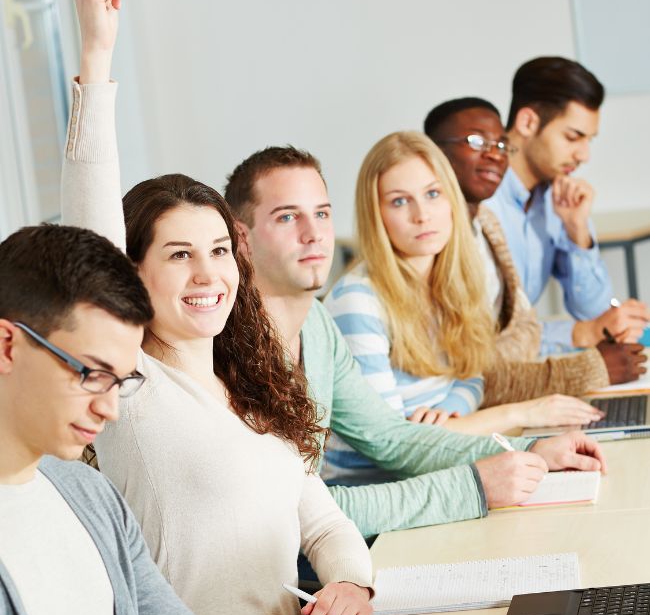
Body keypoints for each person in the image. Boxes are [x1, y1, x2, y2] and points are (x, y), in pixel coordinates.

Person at [0, 221, 453, 615]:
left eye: (120, 382)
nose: (110, 408)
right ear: (8, 345)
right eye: (91, 374)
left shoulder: (85, 495)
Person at [65, 0, 372, 615]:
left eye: (218, 251)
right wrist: (97, 57)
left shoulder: (255, 387)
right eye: (179, 255)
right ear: (130, 274)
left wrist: (351, 582)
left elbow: (322, 521)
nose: (208, 275)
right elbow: (90, 229)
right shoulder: (130, 383)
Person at [224, 149, 606, 537]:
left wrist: (528, 451)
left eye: (321, 214)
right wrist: (473, 486)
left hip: (335, 541)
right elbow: (294, 513)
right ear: (242, 237)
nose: (313, 234)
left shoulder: (316, 324)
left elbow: (390, 437)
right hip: (292, 555)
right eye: (287, 217)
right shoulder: (230, 349)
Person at [322, 131, 609, 483]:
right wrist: (525, 412)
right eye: (399, 201)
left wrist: (452, 409)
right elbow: (397, 447)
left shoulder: (453, 281)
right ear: (376, 214)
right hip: (379, 489)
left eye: (432, 194)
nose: (422, 215)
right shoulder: (358, 301)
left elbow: (472, 372)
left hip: (441, 466)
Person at [423, 96, 647, 406]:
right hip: (461, 406)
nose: (494, 155)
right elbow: (470, 367)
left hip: (495, 392)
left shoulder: (487, 222)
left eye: (501, 145)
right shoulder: (435, 234)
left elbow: (519, 332)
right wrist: (585, 360)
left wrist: (577, 231)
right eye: (476, 142)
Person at [484, 57, 650, 355]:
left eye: (589, 140)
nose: (584, 155)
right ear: (528, 122)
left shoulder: (557, 199)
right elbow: (484, 337)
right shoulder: (480, 200)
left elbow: (595, 312)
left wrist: (578, 231)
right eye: (573, 137)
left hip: (524, 362)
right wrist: (578, 333)